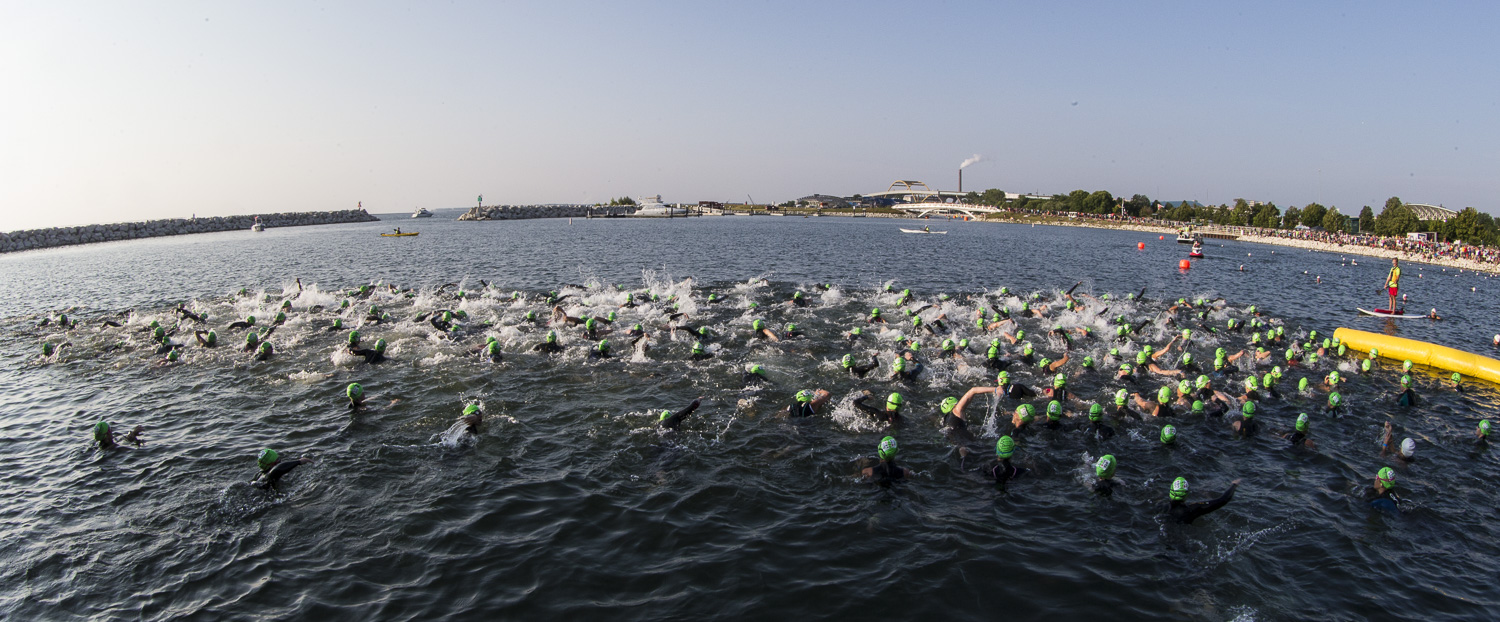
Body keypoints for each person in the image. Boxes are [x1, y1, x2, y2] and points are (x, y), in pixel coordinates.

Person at [1164, 477, 1239, 524]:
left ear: (1171, 491)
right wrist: (1234, 485)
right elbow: (1223, 500)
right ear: (1186, 494)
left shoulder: (1162, 506)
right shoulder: (1192, 509)